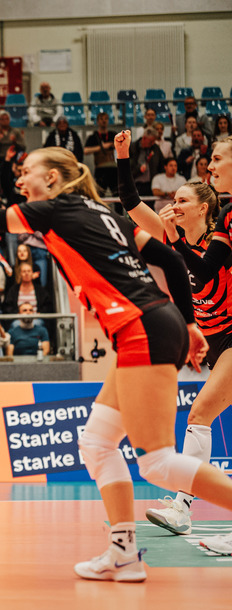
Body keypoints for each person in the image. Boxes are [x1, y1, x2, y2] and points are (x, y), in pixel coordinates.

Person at [0, 145, 232, 583]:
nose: (19, 180)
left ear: (53, 179)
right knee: (97, 443)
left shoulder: (52, 212)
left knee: (155, 461)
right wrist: (190, 324)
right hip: (154, 324)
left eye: (26, 172)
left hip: (141, 328)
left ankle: (129, 551)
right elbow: (170, 259)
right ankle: (123, 553)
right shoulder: (101, 213)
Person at [115, 131, 232, 543]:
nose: (172, 206)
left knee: (199, 414)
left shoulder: (218, 238)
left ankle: (182, 507)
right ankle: (184, 506)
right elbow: (130, 203)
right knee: (201, 416)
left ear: (203, 208)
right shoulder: (173, 236)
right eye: (172, 200)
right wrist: (123, 155)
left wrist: (177, 239)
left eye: (181, 201)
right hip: (216, 344)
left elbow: (200, 272)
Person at [83, 112, 118, 196]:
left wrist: (113, 145)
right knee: (99, 195)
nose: (104, 121)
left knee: (117, 194)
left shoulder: (113, 134)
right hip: (100, 169)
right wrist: (102, 147)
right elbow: (86, 151)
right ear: (97, 121)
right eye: (101, 119)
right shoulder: (93, 137)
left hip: (113, 168)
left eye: (106, 119)